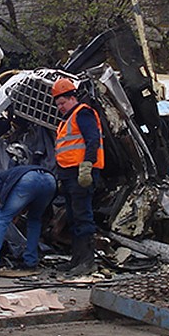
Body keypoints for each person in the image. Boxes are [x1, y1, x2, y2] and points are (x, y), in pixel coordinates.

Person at [51, 77, 103, 276]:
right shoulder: (67, 119)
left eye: (63, 103)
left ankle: (87, 261)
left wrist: (87, 166)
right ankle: (77, 260)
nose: (60, 107)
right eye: (58, 104)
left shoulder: (83, 114)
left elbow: (93, 140)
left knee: (83, 217)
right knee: (73, 218)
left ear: (72, 98)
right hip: (69, 174)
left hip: (80, 173)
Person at [0, 162, 58, 275]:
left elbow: (3, 200)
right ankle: (30, 261)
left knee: (1, 219)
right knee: (34, 220)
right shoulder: (10, 174)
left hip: (28, 180)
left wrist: (12, 211)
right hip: (50, 180)